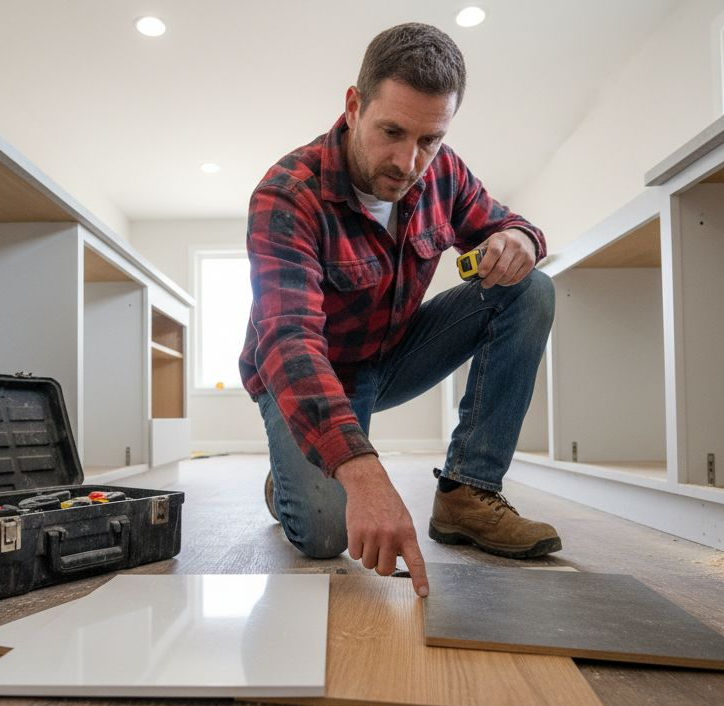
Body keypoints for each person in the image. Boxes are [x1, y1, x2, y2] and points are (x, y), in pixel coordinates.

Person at [239, 22, 559, 598]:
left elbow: (511, 222)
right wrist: (363, 472)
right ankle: (291, 481)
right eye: (391, 131)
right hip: (308, 374)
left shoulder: (443, 172)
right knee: (324, 531)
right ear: (354, 105)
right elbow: (288, 343)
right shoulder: (287, 194)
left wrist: (522, 241)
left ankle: (468, 492)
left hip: (391, 356)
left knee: (531, 288)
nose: (408, 162)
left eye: (429, 139)